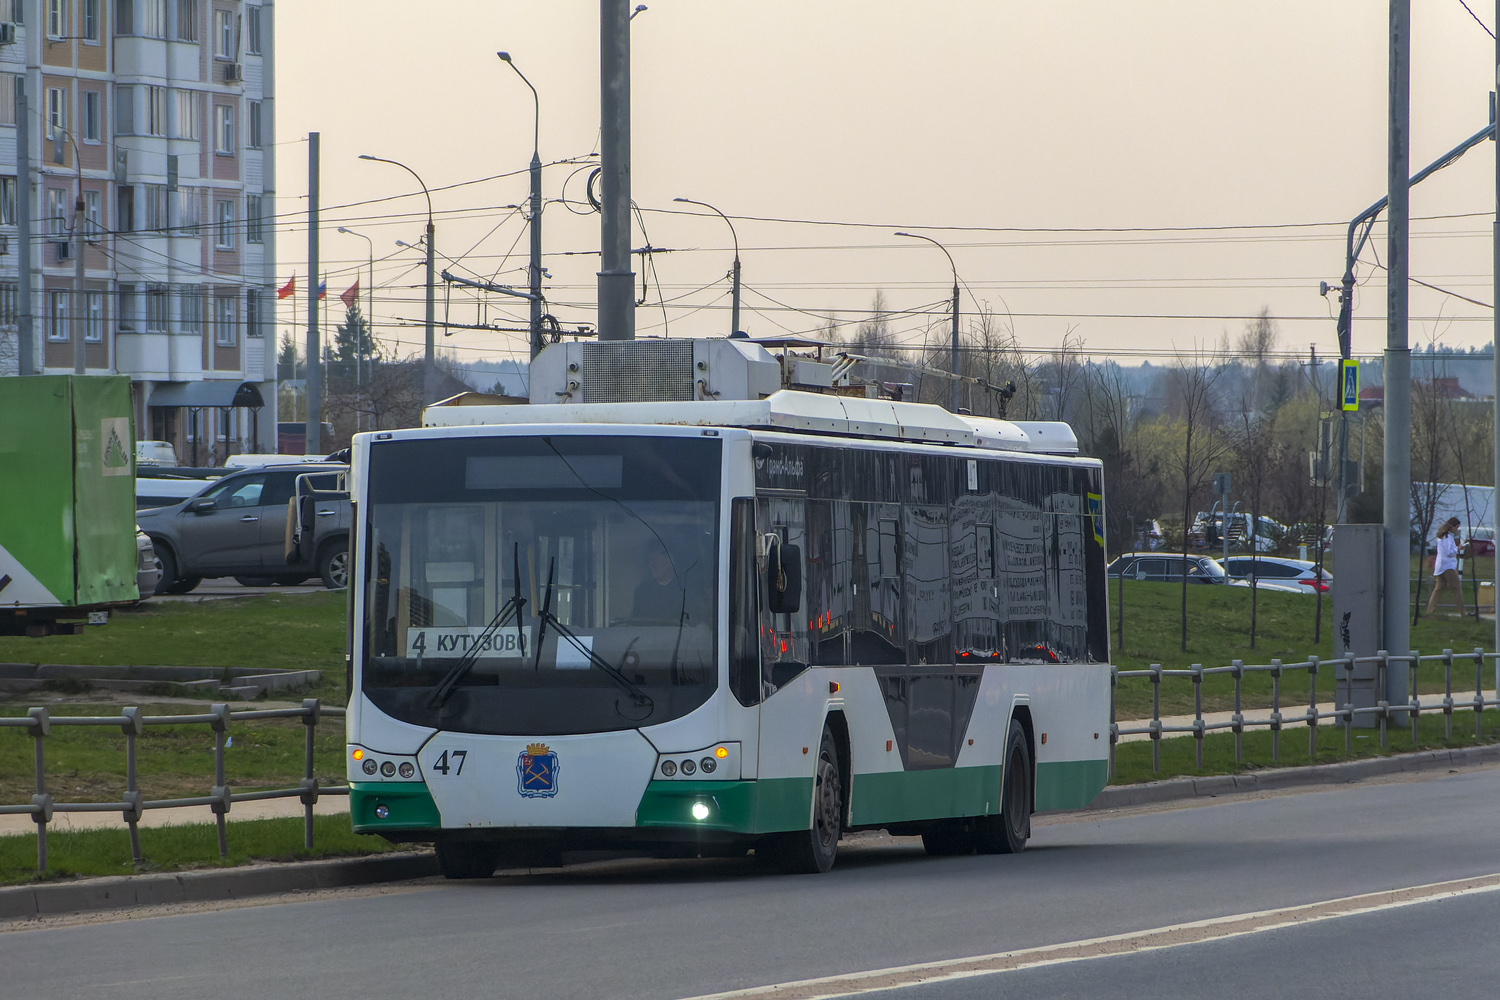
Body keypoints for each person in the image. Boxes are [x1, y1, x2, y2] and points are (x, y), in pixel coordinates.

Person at [1425, 517, 1467, 616]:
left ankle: (1430, 611)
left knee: (1439, 588)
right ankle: (1462, 612)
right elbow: (1449, 552)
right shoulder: (1447, 537)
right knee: (1456, 587)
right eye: (1456, 527)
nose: (1457, 529)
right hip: (1447, 566)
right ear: (1451, 527)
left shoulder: (1444, 536)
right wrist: (1458, 548)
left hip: (1441, 565)